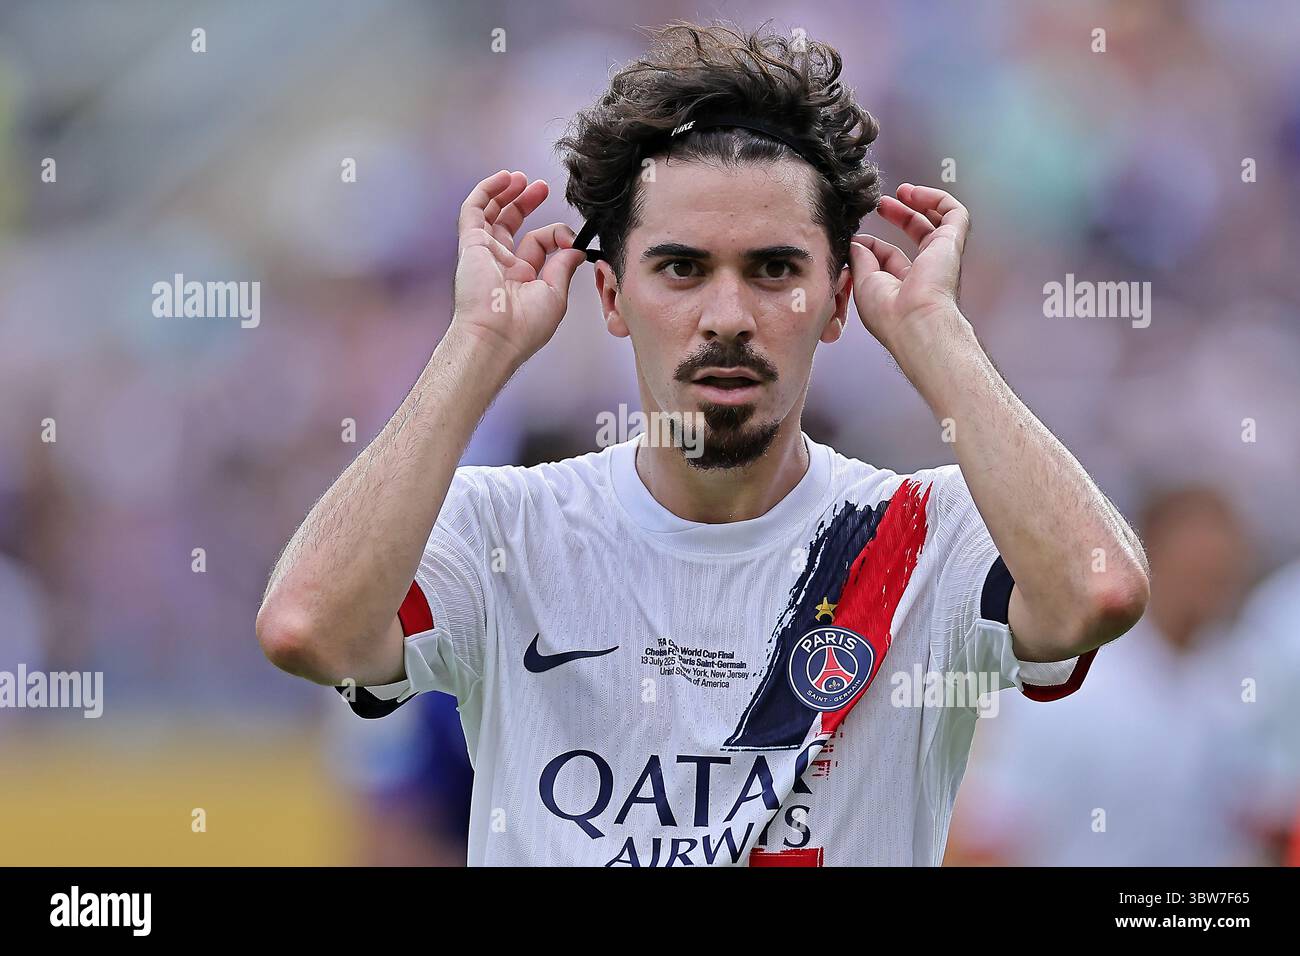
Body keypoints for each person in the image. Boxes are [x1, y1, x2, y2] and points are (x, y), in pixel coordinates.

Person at [255, 21, 1148, 866]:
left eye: (774, 269)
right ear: (609, 296)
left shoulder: (927, 533)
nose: (728, 317)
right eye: (682, 268)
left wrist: (936, 335)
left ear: (838, 301)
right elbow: (308, 630)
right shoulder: (504, 527)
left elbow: (1097, 593)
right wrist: (475, 345)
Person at [949, 486, 1268, 865]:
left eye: (1219, 572)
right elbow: (989, 835)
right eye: (1195, 568)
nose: (1206, 587)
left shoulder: (1242, 681)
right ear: (1147, 562)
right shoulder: (1067, 682)